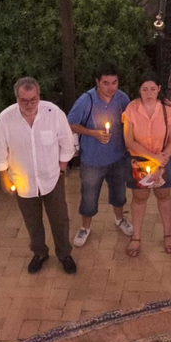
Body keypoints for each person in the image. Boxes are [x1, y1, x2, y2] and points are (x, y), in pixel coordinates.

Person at [0, 77, 78, 275]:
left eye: (33, 100)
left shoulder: (54, 113)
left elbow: (67, 142)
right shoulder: (5, 119)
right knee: (32, 222)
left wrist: (62, 169)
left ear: (39, 96)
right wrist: (4, 179)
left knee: (60, 220)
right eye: (24, 100)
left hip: (52, 179)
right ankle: (39, 253)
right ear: (17, 98)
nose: (29, 105)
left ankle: (64, 253)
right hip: (23, 183)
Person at [66, 70, 133, 249]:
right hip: (92, 160)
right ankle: (85, 227)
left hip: (118, 157)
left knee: (119, 193)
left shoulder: (122, 98)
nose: (110, 88)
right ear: (97, 81)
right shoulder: (85, 100)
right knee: (88, 196)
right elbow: (70, 123)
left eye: (114, 82)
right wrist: (92, 133)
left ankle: (120, 219)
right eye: (105, 83)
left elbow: (132, 119)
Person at [122, 77, 171, 258]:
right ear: (139, 90)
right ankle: (137, 236)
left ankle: (168, 233)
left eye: (152, 89)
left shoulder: (168, 110)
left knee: (164, 195)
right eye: (144, 89)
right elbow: (129, 140)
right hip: (140, 160)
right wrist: (153, 157)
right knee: (139, 197)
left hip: (164, 158)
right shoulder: (131, 109)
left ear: (159, 89)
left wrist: (162, 159)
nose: (148, 93)